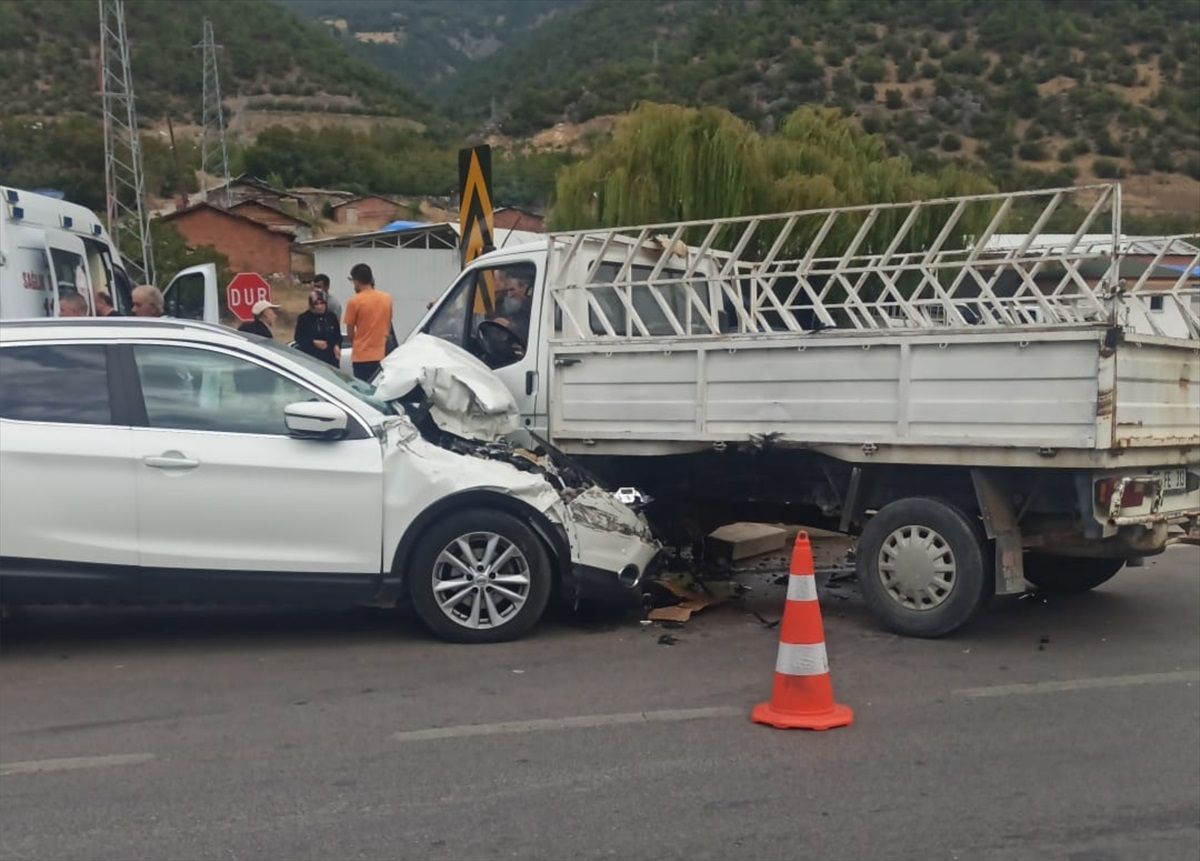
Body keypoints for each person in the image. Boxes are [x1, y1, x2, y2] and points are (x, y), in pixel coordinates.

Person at [343, 262, 393, 381]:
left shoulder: (354, 301)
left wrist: (357, 341)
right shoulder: (387, 298)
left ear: (356, 281)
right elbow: (388, 325)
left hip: (362, 356)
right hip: (382, 353)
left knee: (364, 390)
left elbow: (350, 332)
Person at [294, 289, 341, 367]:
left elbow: (337, 336)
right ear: (311, 305)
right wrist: (313, 342)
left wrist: (337, 345)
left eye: (322, 303)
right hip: (311, 359)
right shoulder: (304, 318)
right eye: (316, 304)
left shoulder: (331, 317)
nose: (319, 307)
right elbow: (298, 337)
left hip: (331, 360)